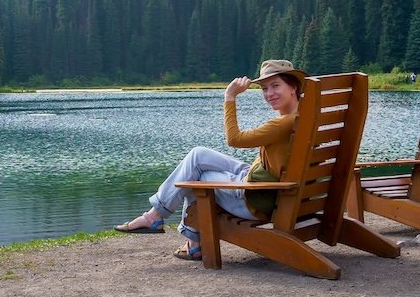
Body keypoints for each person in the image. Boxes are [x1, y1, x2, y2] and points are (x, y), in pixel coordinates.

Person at [114, 59, 306, 261]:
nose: (269, 94)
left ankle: (172, 229)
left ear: (293, 86)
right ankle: (166, 224)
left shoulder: (283, 124)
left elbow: (234, 139)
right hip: (274, 186)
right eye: (265, 88)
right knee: (198, 155)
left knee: (197, 176)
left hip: (259, 199)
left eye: (275, 86)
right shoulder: (305, 116)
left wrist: (229, 96)